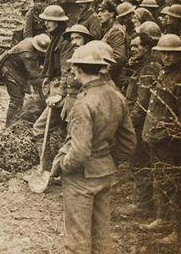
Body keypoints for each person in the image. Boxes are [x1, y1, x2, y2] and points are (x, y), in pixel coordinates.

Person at [50, 44, 136, 254]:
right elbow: (129, 141)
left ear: (78, 69)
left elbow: (79, 152)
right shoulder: (116, 96)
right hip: (104, 172)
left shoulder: (83, 104)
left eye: (73, 68)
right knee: (101, 236)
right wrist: (109, 160)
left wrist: (64, 165)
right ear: (99, 68)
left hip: (81, 177)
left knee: (78, 240)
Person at [140, 34, 181, 245]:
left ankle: (177, 230)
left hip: (169, 140)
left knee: (174, 184)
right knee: (159, 180)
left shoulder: (179, 77)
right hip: (154, 136)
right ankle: (162, 219)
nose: (166, 57)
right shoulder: (164, 73)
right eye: (163, 53)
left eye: (171, 54)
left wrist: (171, 134)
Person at [126, 32, 161, 212]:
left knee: (140, 162)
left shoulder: (148, 69)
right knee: (138, 161)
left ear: (146, 48)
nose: (132, 49)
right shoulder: (142, 66)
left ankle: (142, 204)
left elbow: (142, 103)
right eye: (131, 46)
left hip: (140, 123)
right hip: (138, 121)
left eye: (136, 46)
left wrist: (129, 126)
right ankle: (142, 201)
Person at [32, 5, 74, 150]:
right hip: (54, 87)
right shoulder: (56, 38)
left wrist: (60, 95)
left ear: (59, 22)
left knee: (39, 129)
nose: (46, 24)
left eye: (50, 21)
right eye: (45, 21)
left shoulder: (65, 41)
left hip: (60, 91)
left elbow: (67, 71)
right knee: (63, 131)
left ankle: (46, 168)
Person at [0, 33, 50, 126]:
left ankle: (17, 122)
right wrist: (46, 88)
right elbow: (34, 77)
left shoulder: (33, 44)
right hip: (9, 68)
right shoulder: (28, 54)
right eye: (41, 52)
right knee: (17, 99)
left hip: (19, 67)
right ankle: (10, 127)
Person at [97, 0, 127, 85]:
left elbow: (119, 58)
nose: (99, 15)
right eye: (98, 12)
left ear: (111, 14)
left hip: (116, 79)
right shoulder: (109, 30)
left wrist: (104, 76)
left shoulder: (116, 32)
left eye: (103, 11)